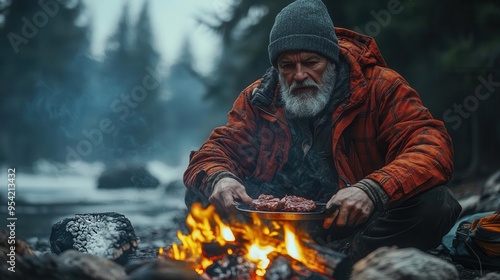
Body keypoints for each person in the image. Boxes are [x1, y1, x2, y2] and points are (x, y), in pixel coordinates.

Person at [183, 0, 462, 263]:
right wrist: (221, 179)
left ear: (331, 60)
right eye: (288, 66)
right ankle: (258, 256)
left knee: (437, 204)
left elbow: (432, 147)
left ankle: (350, 260)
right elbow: (214, 152)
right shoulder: (259, 98)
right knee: (203, 193)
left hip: (356, 225)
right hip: (276, 226)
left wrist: (372, 189)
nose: (299, 75)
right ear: (277, 68)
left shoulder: (380, 87)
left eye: (311, 62)